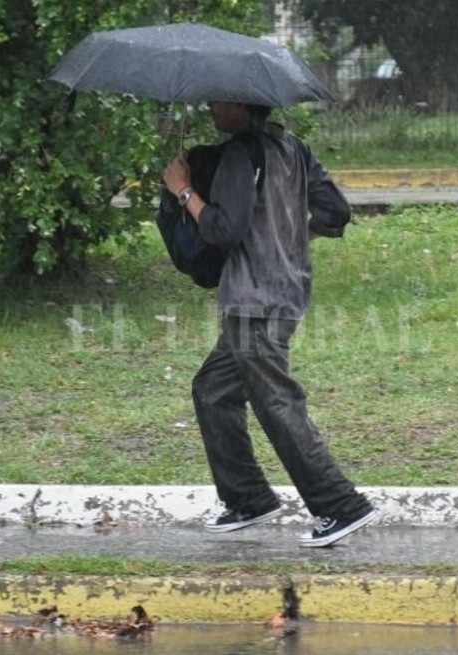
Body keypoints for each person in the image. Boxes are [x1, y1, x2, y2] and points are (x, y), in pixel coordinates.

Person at [162, 101, 376, 548]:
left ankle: (340, 505)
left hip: (254, 302)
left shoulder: (241, 154)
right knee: (212, 390)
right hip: (286, 291)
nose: (211, 108)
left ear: (241, 104)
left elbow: (222, 229)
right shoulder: (295, 148)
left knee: (277, 404)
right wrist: (289, 233)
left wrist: (183, 191)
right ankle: (249, 497)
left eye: (219, 101)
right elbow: (335, 212)